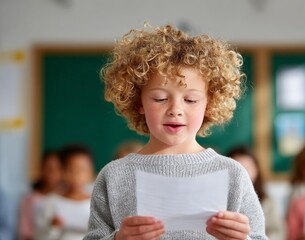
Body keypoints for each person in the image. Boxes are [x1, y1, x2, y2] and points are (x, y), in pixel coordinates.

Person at [84, 24, 266, 240]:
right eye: (160, 99)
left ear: (209, 103)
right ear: (138, 101)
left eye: (191, 100)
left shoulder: (233, 174)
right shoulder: (114, 176)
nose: (176, 110)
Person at [36, 144, 95, 240]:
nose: (77, 176)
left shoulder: (97, 203)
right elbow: (39, 235)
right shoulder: (50, 202)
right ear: (61, 171)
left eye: (82, 170)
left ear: (90, 172)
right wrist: (52, 227)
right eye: (71, 170)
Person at [228, 146, 285, 240]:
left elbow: (278, 231)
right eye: (238, 169)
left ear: (256, 169)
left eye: (247, 168)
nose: (243, 174)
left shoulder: (267, 200)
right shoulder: (222, 199)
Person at [18, 150, 63, 240]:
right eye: (48, 168)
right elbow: (26, 232)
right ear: (41, 169)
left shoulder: (65, 198)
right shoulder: (30, 199)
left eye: (57, 168)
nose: (52, 173)